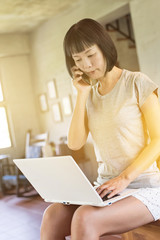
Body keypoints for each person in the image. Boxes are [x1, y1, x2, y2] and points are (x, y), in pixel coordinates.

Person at [40, 18, 160, 240]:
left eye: (90, 55)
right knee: (52, 215)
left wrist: (124, 179)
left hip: (146, 187)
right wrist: (82, 94)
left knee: (85, 217)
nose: (86, 65)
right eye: (78, 59)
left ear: (104, 48)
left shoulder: (137, 83)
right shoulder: (88, 95)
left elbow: (158, 140)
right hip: (105, 188)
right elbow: (75, 144)